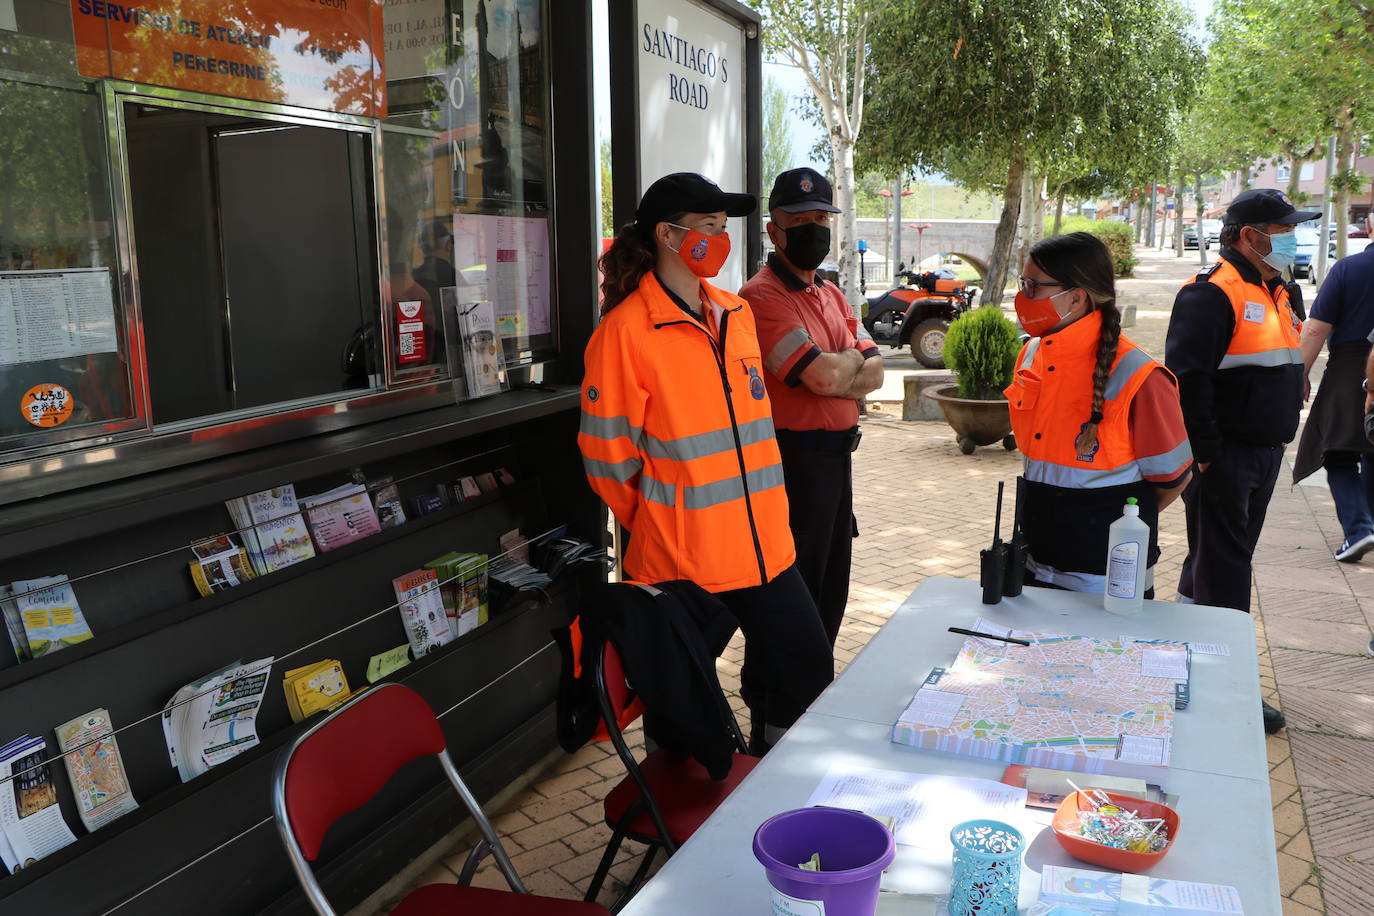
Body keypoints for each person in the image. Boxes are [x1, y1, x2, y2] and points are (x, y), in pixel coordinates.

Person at [577, 172, 833, 754]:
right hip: (682, 559)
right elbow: (606, 456)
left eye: (724, 227)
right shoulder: (625, 332)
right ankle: (688, 825)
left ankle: (775, 783)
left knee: (806, 671)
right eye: (708, 228)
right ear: (668, 236)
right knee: (681, 707)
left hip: (766, 546)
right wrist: (663, 517)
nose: (721, 239)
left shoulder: (734, 311)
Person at [1165, 188, 1317, 735]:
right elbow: (1187, 380)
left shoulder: (1281, 288)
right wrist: (1204, 455)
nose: (1292, 239)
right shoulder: (1209, 294)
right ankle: (1228, 687)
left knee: (1214, 556)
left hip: (1265, 451)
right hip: (1224, 455)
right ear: (1249, 236)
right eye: (1283, 231)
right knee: (1228, 568)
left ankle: (1181, 654)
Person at [738, 167, 884, 648]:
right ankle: (775, 711)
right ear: (773, 230)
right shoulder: (761, 297)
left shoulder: (831, 292)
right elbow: (821, 376)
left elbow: (877, 373)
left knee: (830, 591)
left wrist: (838, 370)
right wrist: (848, 365)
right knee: (793, 601)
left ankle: (811, 696)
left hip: (836, 461)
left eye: (821, 216)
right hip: (793, 464)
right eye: (799, 219)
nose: (813, 228)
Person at [1007, 232, 1192, 595]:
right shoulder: (1031, 355)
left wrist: (1108, 518)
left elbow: (1172, 480)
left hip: (1107, 583)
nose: (1021, 297)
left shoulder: (1141, 376)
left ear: (1076, 297)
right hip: (1034, 567)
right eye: (1022, 282)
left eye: (1032, 286)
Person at [1295, 211, 1374, 561]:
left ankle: (1358, 529)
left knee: (1339, 451)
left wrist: (1298, 377)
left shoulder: (1349, 269)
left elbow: (1315, 329)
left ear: (1370, 227)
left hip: (1351, 368)